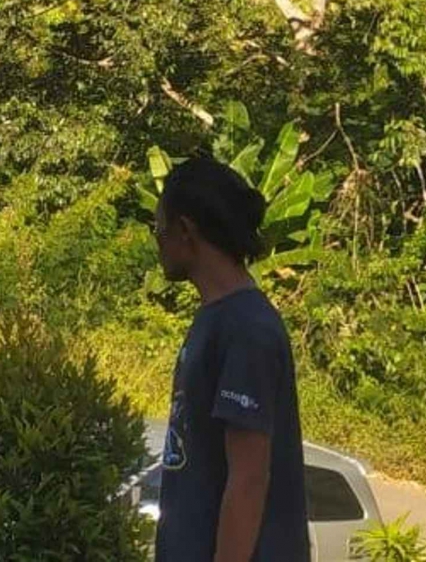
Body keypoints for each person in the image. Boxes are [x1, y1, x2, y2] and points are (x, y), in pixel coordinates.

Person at [152, 155, 309, 562]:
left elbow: (249, 479)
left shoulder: (246, 329)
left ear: (186, 231)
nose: (158, 244)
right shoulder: (217, 318)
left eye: (159, 230)